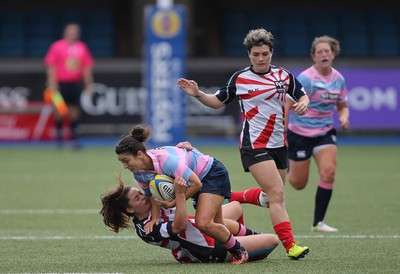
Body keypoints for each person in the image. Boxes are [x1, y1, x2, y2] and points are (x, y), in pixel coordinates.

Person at [177, 28, 310, 260]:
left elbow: (302, 94)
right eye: (256, 54)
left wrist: (304, 102)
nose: (260, 58)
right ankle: (291, 246)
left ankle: (231, 195)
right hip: (254, 145)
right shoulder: (240, 79)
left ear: (271, 53)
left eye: (265, 54)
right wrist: (198, 93)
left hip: (280, 145)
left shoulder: (284, 76)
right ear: (249, 54)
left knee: (272, 198)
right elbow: (217, 102)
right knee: (277, 194)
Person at [114, 124, 249, 264]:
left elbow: (196, 184)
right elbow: (151, 196)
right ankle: (252, 235)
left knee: (204, 223)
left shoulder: (166, 162)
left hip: (211, 174)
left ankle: (239, 251)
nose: (125, 166)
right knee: (216, 225)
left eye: (126, 160)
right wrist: (155, 217)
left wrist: (174, 202)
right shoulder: (140, 175)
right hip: (195, 180)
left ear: (140, 155)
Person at [100, 174, 279, 263]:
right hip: (206, 248)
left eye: (140, 193)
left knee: (235, 208)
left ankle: (242, 238)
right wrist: (179, 194)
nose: (144, 196)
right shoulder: (146, 229)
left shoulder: (153, 199)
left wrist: (184, 151)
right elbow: (180, 225)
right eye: (138, 198)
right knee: (272, 240)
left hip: (203, 226)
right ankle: (239, 245)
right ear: (130, 209)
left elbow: (158, 175)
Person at [285, 35, 350, 232]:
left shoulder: (338, 79)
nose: (324, 54)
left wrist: (344, 117)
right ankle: (289, 164)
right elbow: (287, 105)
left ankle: (318, 222)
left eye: (327, 51)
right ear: (314, 56)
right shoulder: (306, 78)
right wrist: (283, 134)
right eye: (319, 51)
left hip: (324, 131)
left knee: (329, 173)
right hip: (299, 134)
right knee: (298, 183)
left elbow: (342, 105)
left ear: (333, 54)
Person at [43, 22, 94, 149]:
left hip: (75, 84)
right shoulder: (57, 46)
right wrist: (52, 83)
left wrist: (89, 85)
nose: (73, 33)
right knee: (59, 109)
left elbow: (87, 68)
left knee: (75, 110)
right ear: (65, 32)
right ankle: (59, 137)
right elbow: (51, 66)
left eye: (75, 31)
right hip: (60, 84)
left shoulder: (82, 47)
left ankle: (74, 137)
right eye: (71, 31)